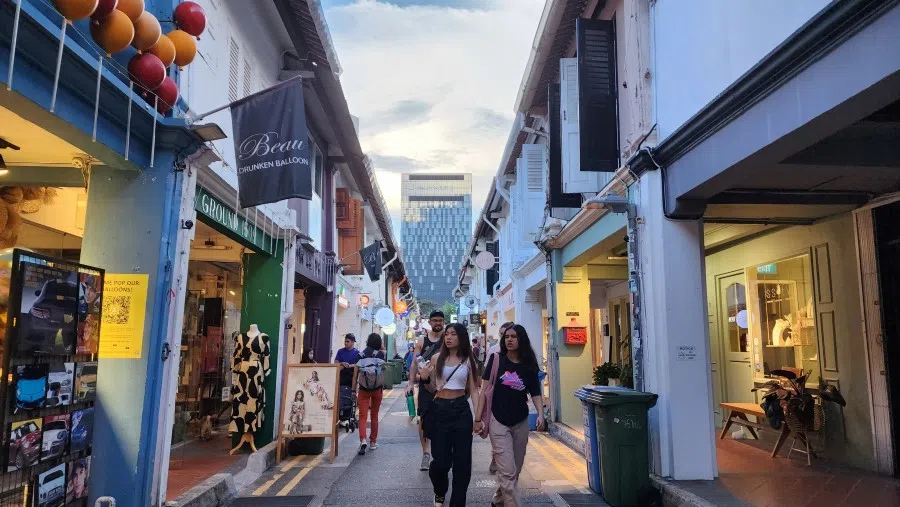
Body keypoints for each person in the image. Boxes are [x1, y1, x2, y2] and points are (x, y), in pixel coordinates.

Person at [474, 324, 545, 507]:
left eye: (513, 336)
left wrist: (541, 415)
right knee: (507, 472)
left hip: (520, 421)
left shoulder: (529, 363)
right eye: (507, 337)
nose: (510, 340)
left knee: (515, 469)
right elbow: (483, 391)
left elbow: (535, 391)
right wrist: (477, 418)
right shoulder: (496, 360)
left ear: (521, 339)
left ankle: (498, 500)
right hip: (498, 421)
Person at [418, 323, 479, 507]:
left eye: (453, 334)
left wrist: (478, 418)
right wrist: (425, 378)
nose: (449, 337)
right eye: (447, 334)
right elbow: (432, 388)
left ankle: (457, 503)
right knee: (440, 462)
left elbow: (474, 390)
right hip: (440, 409)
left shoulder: (469, 359)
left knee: (462, 463)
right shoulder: (437, 358)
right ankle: (439, 490)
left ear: (461, 337)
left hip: (461, 410)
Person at [407, 310, 447, 471]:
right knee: (423, 419)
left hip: (444, 386)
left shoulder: (448, 339)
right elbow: (414, 364)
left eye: (440, 320)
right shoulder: (421, 341)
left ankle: (441, 452)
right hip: (425, 385)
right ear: (429, 322)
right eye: (435, 320)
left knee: (443, 419)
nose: (438, 323)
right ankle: (425, 453)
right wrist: (410, 383)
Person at [486, 321, 514, 474]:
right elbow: (487, 375)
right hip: (496, 398)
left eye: (508, 335)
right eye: (502, 335)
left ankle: (504, 460)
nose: (505, 338)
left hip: (514, 400)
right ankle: (496, 455)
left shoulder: (521, 352)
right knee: (496, 431)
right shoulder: (494, 351)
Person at [357, 333, 387, 455]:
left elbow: (356, 369)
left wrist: (354, 389)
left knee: (362, 416)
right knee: (374, 415)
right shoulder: (380, 354)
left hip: (363, 389)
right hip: (377, 389)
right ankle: (373, 442)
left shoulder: (361, 354)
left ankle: (363, 439)